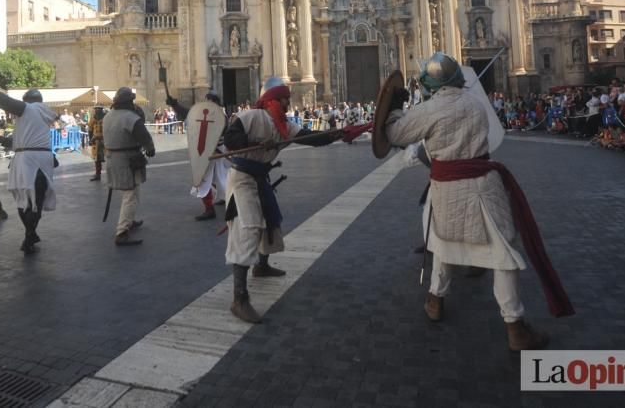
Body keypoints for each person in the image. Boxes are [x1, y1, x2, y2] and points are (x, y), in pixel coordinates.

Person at [384, 53, 573, 351]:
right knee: (503, 254)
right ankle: (514, 326)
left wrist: (394, 107)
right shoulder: (475, 103)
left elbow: (395, 133)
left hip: (446, 188)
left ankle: (435, 301)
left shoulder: (429, 109)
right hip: (484, 184)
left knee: (442, 246)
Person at [222, 76, 343, 323]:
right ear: (274, 100)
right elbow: (230, 140)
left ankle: (262, 266)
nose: (289, 103)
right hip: (243, 177)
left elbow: (309, 137)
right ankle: (239, 298)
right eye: (285, 99)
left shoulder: (284, 126)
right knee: (249, 228)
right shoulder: (250, 117)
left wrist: (335, 135)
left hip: (260, 177)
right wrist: (255, 142)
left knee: (271, 221)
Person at [0, 89, 59, 254]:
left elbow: (1, 99)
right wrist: (1, 139)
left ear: (26, 101)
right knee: (35, 200)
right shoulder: (43, 114)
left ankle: (29, 236)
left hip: (28, 161)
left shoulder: (28, 109)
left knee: (25, 201)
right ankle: (30, 234)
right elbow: (24, 140)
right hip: (40, 159)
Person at [104, 87, 155, 246]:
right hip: (128, 160)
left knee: (132, 191)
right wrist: (150, 149)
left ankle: (129, 220)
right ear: (129, 102)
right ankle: (122, 232)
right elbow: (145, 138)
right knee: (130, 194)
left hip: (112, 158)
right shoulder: (130, 118)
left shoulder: (108, 116)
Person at [168, 91, 229, 221]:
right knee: (219, 177)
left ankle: (209, 209)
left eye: (208, 100)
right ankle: (226, 197)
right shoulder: (215, 114)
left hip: (212, 152)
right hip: (214, 151)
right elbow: (188, 114)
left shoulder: (220, 116)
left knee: (202, 178)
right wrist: (175, 105)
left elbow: (216, 133)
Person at [88, 106, 107, 181]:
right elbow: (90, 130)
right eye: (96, 109)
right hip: (96, 141)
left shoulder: (106, 118)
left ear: (101, 110)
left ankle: (112, 174)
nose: (97, 110)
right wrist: (90, 139)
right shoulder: (92, 118)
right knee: (97, 159)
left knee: (109, 157)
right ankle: (97, 175)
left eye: (99, 109)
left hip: (105, 140)